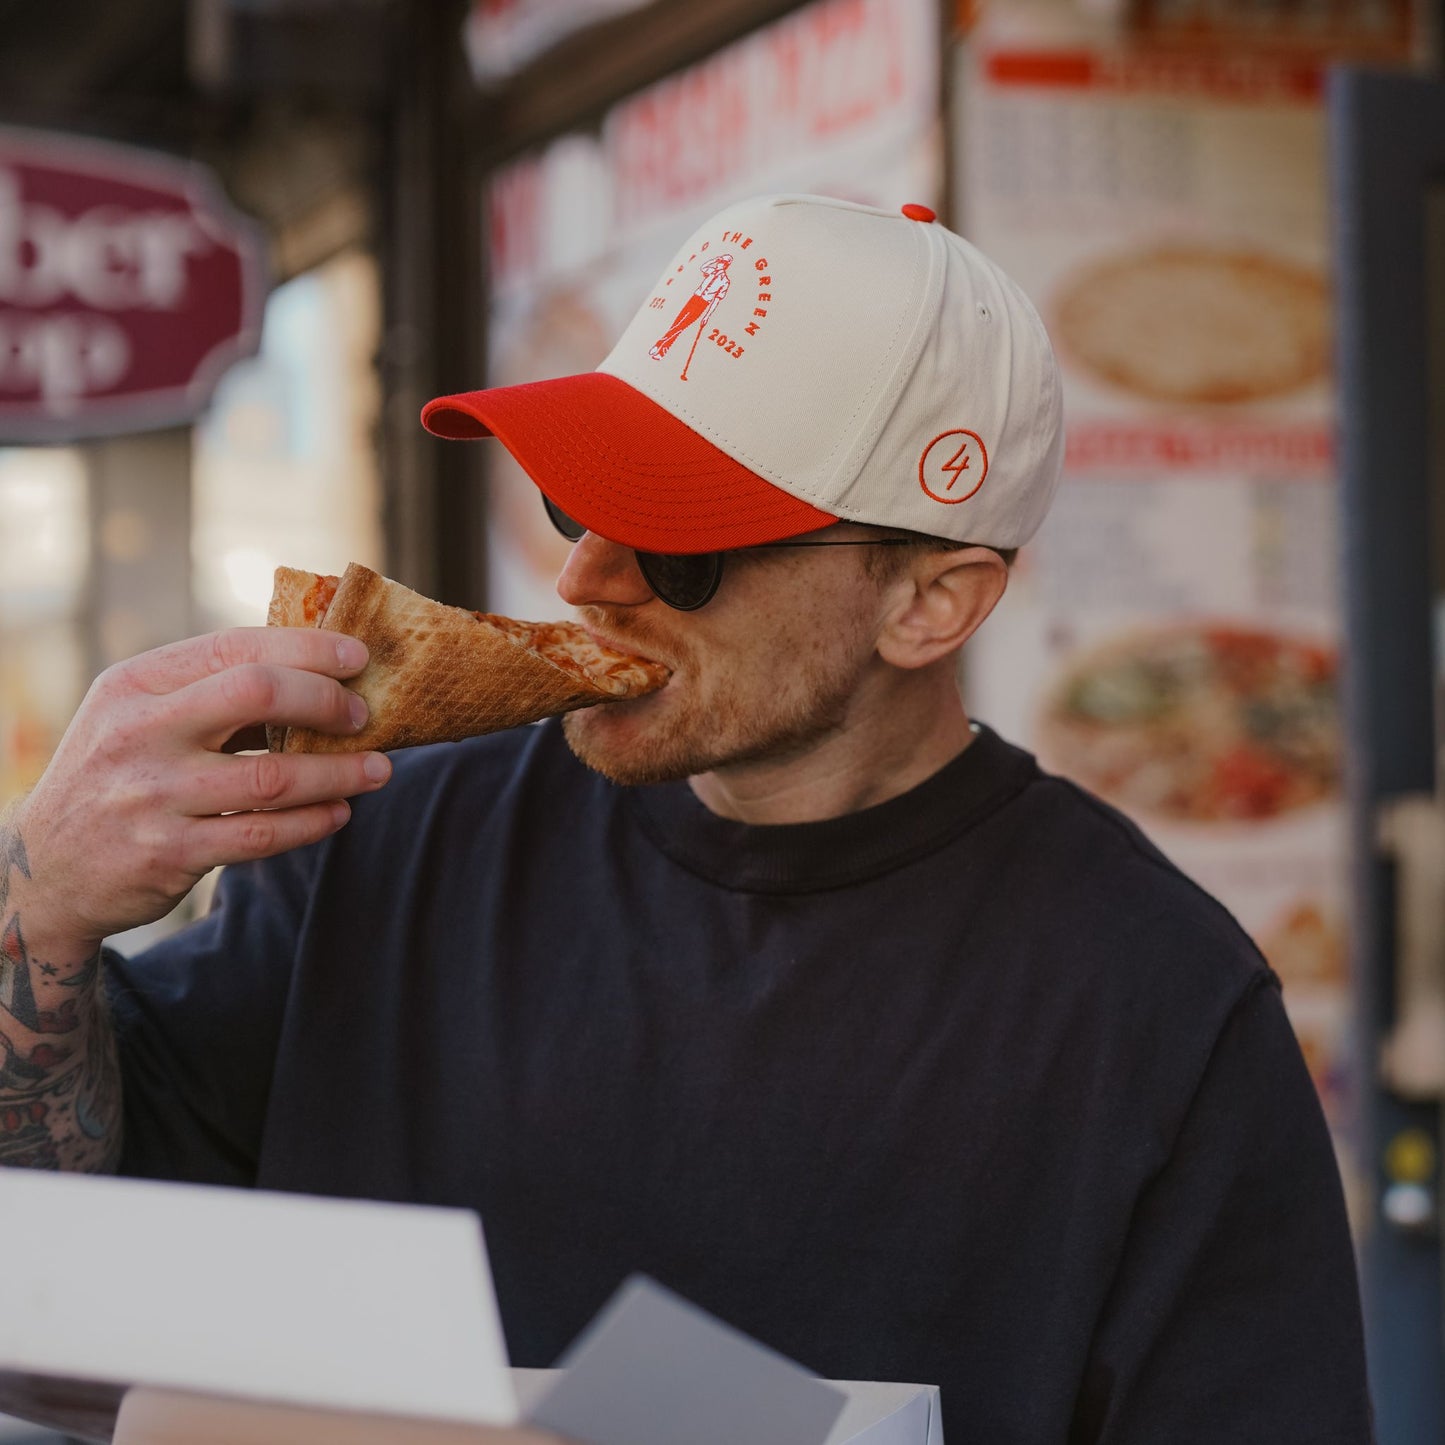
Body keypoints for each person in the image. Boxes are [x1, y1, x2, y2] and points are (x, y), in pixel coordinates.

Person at [0, 195, 1371, 1442]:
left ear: (927, 601)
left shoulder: (1154, 1006)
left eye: (680, 542)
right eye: (573, 495)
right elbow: (59, 1249)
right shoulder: (382, 840)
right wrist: (40, 899)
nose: (588, 575)